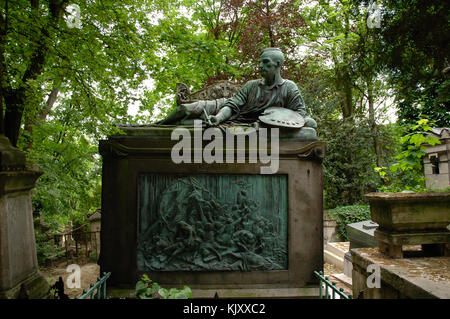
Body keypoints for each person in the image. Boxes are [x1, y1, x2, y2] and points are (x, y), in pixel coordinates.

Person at [157, 48, 316, 128]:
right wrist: (218, 118)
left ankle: (157, 129)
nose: (261, 66)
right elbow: (232, 105)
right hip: (225, 109)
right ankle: (154, 126)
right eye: (260, 62)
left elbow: (300, 116)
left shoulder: (289, 88)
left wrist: (265, 124)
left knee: (310, 124)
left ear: (278, 65)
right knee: (185, 109)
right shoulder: (251, 85)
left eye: (265, 62)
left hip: (245, 123)